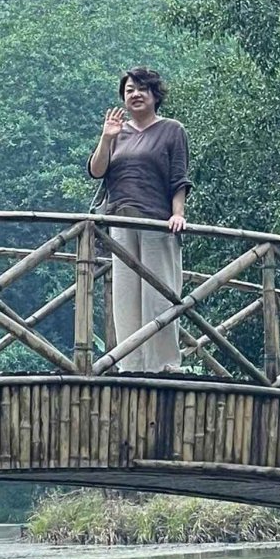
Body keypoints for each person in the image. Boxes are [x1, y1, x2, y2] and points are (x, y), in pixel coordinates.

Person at [86, 66, 192, 372]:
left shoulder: (172, 130)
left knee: (159, 293)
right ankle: (130, 365)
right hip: (120, 220)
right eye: (129, 89)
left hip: (156, 221)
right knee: (125, 296)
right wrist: (107, 139)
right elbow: (96, 171)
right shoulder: (118, 133)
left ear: (155, 95)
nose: (135, 94)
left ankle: (165, 365)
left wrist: (178, 214)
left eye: (141, 89)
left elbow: (179, 178)